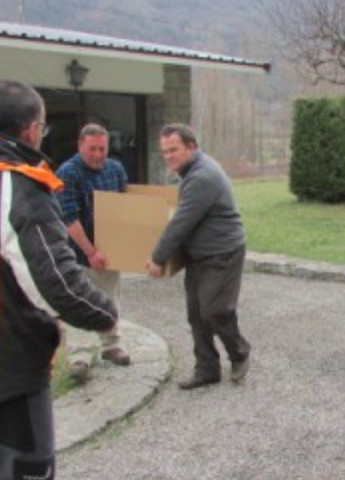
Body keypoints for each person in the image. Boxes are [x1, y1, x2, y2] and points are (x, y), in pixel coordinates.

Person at [0, 80, 117, 480]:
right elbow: (55, 283)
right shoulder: (19, 184)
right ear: (31, 129)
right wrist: (104, 312)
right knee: (26, 467)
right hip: (11, 364)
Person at [146, 123, 250, 390]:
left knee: (215, 310)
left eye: (174, 150)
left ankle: (239, 352)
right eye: (165, 152)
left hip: (223, 252)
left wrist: (158, 257)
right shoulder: (192, 170)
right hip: (200, 254)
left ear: (191, 147)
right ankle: (207, 369)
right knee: (196, 314)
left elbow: (181, 222)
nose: (169, 156)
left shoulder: (202, 176)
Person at [55, 123, 131, 380]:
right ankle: (80, 356)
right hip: (77, 253)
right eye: (92, 149)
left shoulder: (116, 169)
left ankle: (111, 345)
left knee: (110, 298)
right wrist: (90, 252)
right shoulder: (67, 172)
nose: (98, 154)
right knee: (79, 303)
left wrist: (125, 246)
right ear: (80, 146)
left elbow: (124, 209)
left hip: (110, 251)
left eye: (103, 149)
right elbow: (70, 219)